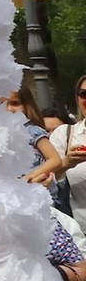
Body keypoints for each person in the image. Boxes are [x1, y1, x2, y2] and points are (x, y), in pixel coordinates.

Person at [53, 80, 86, 225]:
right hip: (81, 230)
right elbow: (44, 179)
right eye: (85, 94)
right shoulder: (65, 135)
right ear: (77, 98)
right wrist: (66, 163)